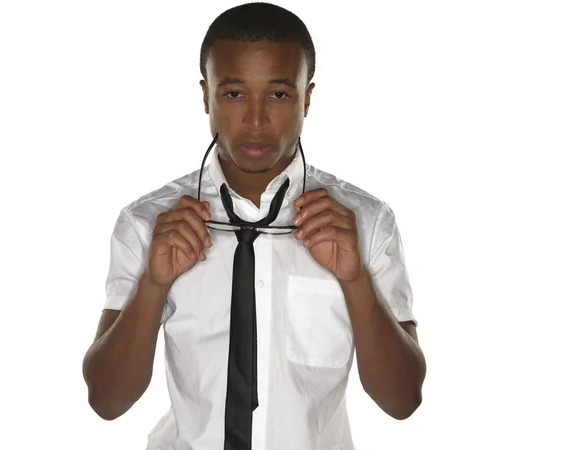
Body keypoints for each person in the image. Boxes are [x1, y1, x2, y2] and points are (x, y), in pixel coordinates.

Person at [82, 2, 427, 449]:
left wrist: (355, 279)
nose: (257, 119)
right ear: (206, 96)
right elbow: (106, 401)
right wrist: (153, 284)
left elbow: (403, 401)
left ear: (307, 97)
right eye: (234, 93)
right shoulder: (148, 222)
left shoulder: (367, 222)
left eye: (280, 95)